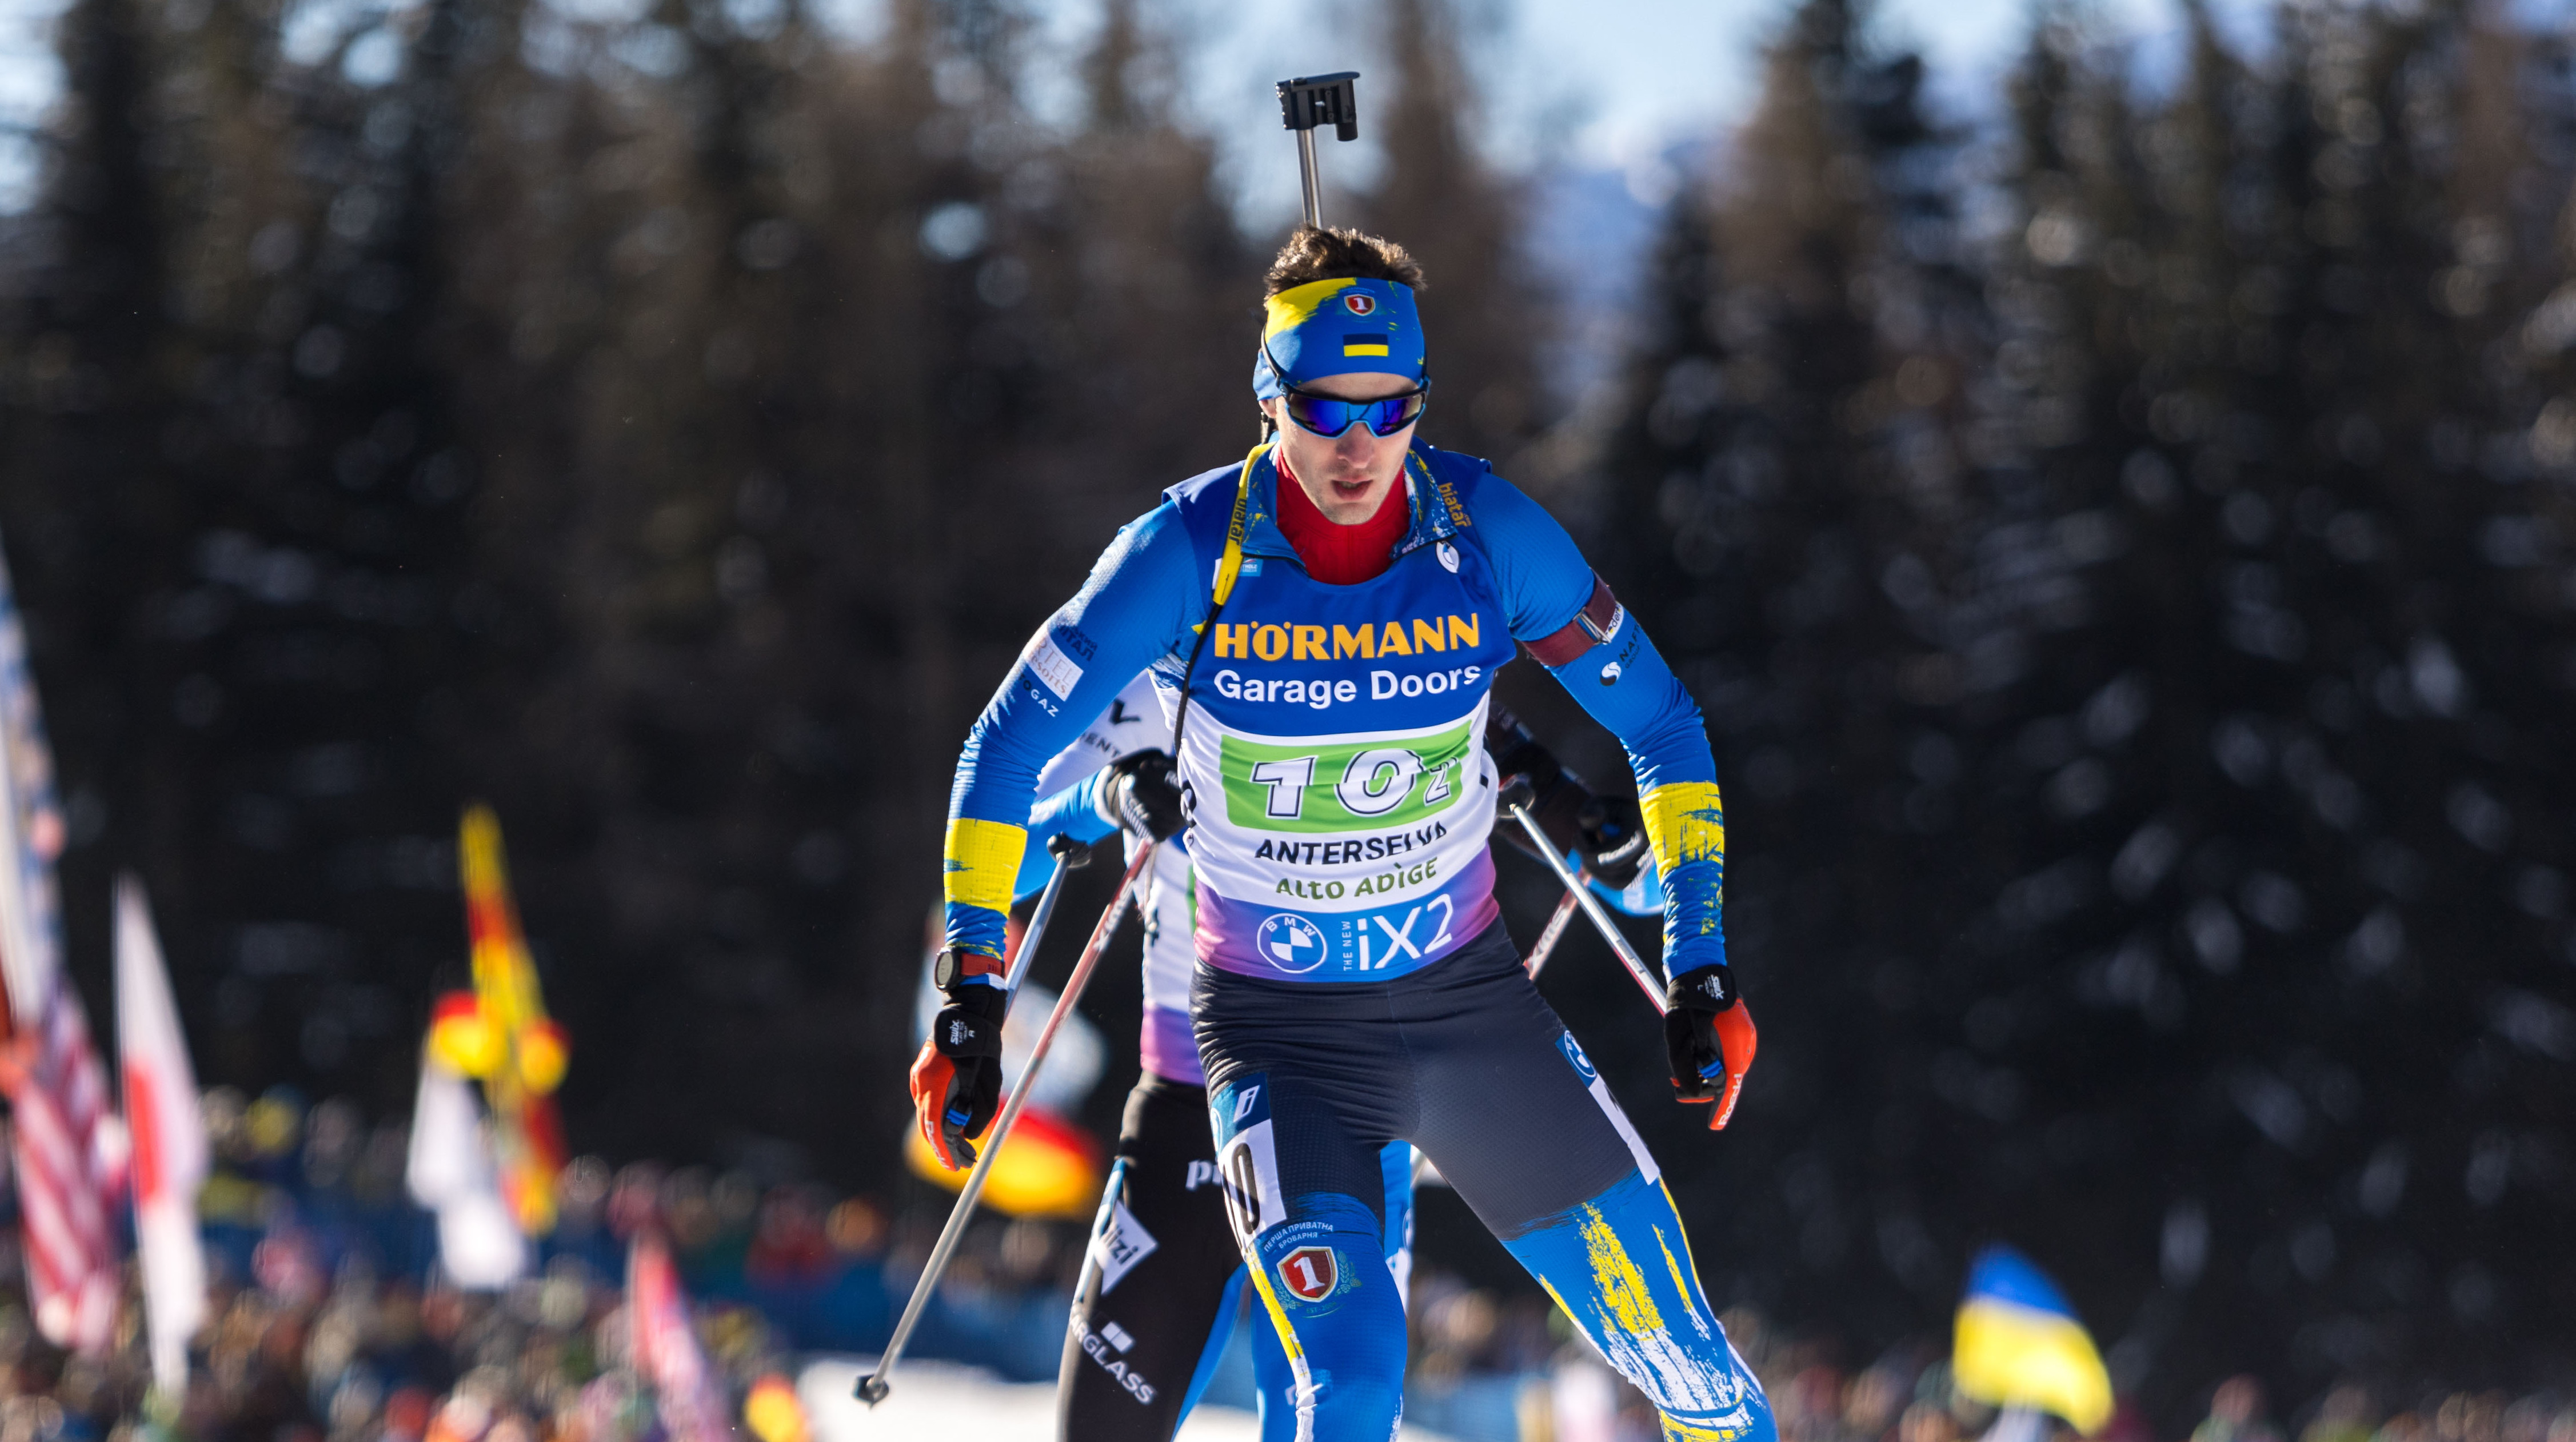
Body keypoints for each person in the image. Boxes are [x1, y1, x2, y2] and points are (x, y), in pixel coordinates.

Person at [910, 225, 1771, 1442]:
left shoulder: (1486, 534)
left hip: (1471, 1012)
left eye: (1391, 407)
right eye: (1324, 408)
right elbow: (1001, 754)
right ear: (1269, 398)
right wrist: (973, 996)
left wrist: (1701, 962)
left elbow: (1666, 727)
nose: (1359, 445)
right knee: (1344, 1392)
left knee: (1702, 1386)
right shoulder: (1185, 552)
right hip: (1280, 1038)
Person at [1008, 672, 1660, 1441]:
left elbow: (1635, 882)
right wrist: (1105, 800)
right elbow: (996, 860)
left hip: (1347, 1123)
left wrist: (1618, 846)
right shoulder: (1145, 668)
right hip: (1190, 1112)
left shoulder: (1408, 660)